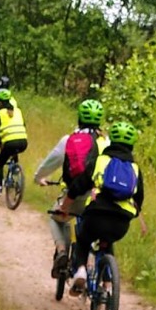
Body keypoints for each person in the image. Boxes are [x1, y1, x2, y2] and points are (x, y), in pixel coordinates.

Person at [67, 120, 145, 293]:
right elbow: (139, 199)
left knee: (83, 239)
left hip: (96, 215)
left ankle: (80, 271)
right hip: (121, 223)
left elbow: (78, 186)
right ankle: (108, 285)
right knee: (107, 241)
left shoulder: (100, 161)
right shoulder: (135, 168)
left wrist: (66, 206)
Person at [34, 99, 107, 278]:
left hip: (75, 195)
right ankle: (102, 274)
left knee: (57, 218)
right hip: (101, 198)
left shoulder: (69, 140)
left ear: (79, 118)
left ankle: (62, 252)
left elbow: (50, 163)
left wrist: (38, 178)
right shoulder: (107, 142)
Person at [0, 89, 28, 196]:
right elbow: (23, 125)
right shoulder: (18, 111)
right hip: (23, 141)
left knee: (0, 163)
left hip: (9, 143)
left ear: (0, 103)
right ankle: (15, 168)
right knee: (13, 151)